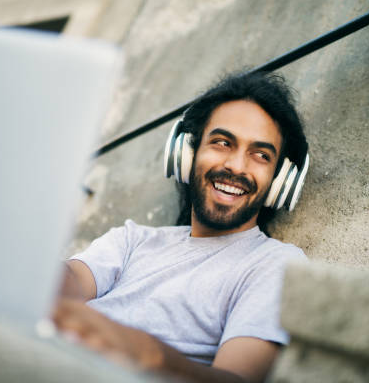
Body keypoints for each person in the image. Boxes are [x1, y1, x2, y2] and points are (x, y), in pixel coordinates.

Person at [51, 71, 309, 383]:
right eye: (222, 142)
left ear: (280, 183)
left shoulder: (275, 264)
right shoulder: (133, 239)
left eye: (261, 155)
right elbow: (67, 280)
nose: (236, 166)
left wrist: (149, 355)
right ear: (187, 154)